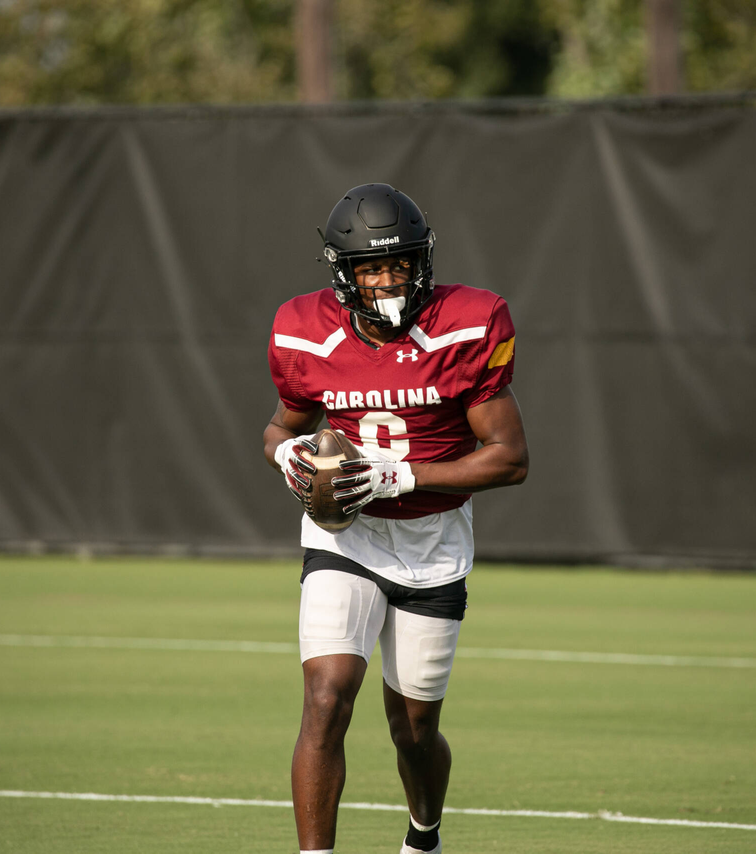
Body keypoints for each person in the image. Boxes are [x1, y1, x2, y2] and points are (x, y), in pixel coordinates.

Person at [263, 183, 529, 854]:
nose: (387, 279)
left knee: (412, 730)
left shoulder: (466, 324)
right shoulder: (305, 330)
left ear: (422, 262)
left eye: (400, 263)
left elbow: (510, 459)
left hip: (432, 540)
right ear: (344, 274)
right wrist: (288, 452)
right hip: (344, 535)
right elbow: (278, 428)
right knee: (326, 699)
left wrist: (401, 474)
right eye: (371, 268)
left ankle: (423, 834)